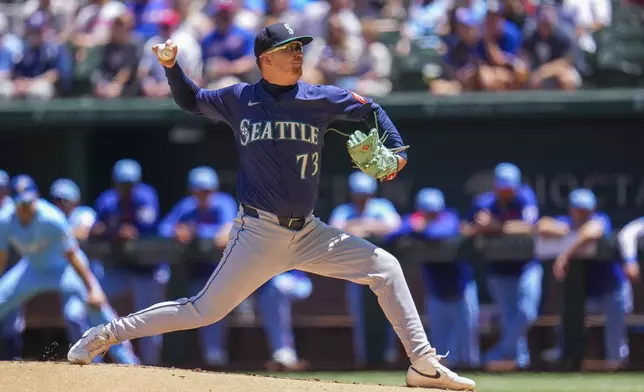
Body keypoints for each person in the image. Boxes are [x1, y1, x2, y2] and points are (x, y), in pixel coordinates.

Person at [67, 22, 475, 390]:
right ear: (266, 59)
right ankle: (107, 334)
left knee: (386, 268)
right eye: (290, 48)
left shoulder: (318, 98)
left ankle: (422, 364)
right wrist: (171, 67)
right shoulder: (239, 97)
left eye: (300, 47)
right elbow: (191, 101)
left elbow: (371, 108)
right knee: (203, 310)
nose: (299, 53)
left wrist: (398, 151)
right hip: (258, 233)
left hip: (310, 232)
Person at [0, 175, 138, 364]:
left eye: (29, 201)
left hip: (64, 270)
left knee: (93, 310)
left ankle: (129, 361)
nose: (25, 207)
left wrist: (93, 288)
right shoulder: (5, 219)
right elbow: (1, 256)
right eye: (21, 202)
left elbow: (73, 255)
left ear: (36, 197)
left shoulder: (52, 218)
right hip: (32, 268)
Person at [539, 189, 634, 370]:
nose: (582, 214)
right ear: (571, 210)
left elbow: (592, 232)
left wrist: (565, 254)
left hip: (611, 287)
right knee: (567, 312)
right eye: (579, 210)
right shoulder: (567, 222)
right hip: (585, 293)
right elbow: (542, 225)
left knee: (616, 328)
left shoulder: (600, 220)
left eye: (586, 210)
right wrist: (566, 230)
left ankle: (616, 362)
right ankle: (564, 354)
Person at [389, 188, 480, 369]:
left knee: (468, 351)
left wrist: (420, 229)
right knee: (440, 350)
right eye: (427, 212)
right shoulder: (415, 221)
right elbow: (392, 234)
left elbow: (439, 233)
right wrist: (413, 226)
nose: (431, 215)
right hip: (436, 292)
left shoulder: (450, 218)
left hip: (461, 291)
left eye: (434, 212)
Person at [464, 162, 540, 370]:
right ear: (496, 186)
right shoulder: (484, 201)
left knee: (527, 313)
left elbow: (529, 227)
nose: (507, 193)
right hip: (498, 269)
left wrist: (494, 226)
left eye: (510, 188)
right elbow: (466, 228)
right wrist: (480, 228)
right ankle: (520, 360)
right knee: (509, 318)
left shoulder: (525, 197)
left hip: (526, 266)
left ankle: (500, 351)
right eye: (503, 188)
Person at [89, 159, 165, 365]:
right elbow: (95, 229)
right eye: (123, 184)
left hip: (147, 270)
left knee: (150, 322)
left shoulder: (147, 197)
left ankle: (151, 368)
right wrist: (113, 232)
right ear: (115, 183)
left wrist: (114, 231)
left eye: (131, 184)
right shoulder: (107, 200)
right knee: (94, 306)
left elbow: (140, 230)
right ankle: (94, 359)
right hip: (118, 269)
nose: (127, 188)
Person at [328, 171, 401, 367]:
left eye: (365, 194)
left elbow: (395, 226)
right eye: (358, 194)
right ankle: (363, 360)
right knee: (359, 317)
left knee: (390, 314)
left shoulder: (381, 206)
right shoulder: (345, 210)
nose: (362, 199)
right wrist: (364, 227)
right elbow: (334, 228)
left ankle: (389, 357)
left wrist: (363, 226)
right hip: (356, 272)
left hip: (382, 271)